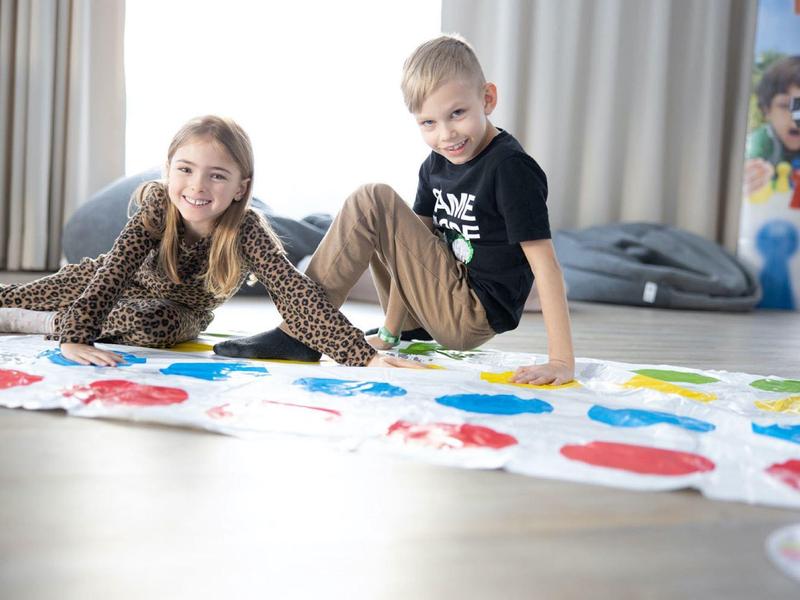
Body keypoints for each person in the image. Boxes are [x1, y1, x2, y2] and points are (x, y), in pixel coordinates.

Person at [215, 36, 575, 385]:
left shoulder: (509, 168)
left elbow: (546, 265)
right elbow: (407, 255)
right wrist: (391, 331)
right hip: (434, 307)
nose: (446, 134)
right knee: (378, 213)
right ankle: (332, 328)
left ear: (488, 98)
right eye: (428, 123)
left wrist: (560, 361)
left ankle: (299, 332)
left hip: (472, 314)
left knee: (374, 198)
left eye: (458, 113)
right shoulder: (435, 165)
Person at [0, 115, 418, 369]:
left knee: (150, 323)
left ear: (241, 186)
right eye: (185, 169)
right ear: (168, 171)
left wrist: (363, 355)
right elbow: (113, 272)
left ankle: (47, 323)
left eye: (217, 175)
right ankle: (44, 315)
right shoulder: (157, 207)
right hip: (109, 283)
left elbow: (295, 294)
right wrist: (79, 335)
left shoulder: (247, 230)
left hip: (179, 310)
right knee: (25, 293)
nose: (197, 186)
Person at [743, 55, 800, 196]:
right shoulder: (762, 141)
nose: (796, 118)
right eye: (785, 105)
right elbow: (746, 159)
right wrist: (750, 173)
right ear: (767, 110)